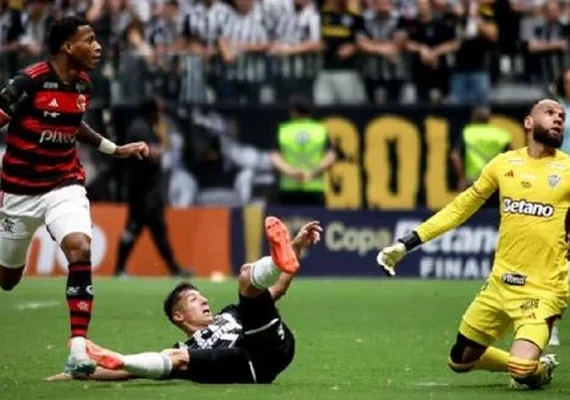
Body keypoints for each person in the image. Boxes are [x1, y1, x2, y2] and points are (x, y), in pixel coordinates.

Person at [377, 98, 565, 390]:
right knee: (459, 361)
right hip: (499, 285)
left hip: (543, 290)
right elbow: (460, 208)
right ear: (528, 122)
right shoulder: (504, 164)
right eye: (550, 113)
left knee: (522, 369)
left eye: (562, 116)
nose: (558, 119)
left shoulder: (567, 169)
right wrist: (406, 243)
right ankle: (530, 365)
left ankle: (537, 370)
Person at [0, 16, 149, 377]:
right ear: (68, 46)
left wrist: (116, 149)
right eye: (90, 40)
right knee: (8, 280)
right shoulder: (29, 82)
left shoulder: (83, 84)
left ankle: (78, 349)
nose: (98, 47)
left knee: (80, 247)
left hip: (63, 184)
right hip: (19, 192)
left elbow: (74, 125)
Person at [46, 216, 322, 384]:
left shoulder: (229, 314)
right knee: (172, 359)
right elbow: (129, 374)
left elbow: (276, 292)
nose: (204, 301)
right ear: (179, 316)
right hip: (243, 365)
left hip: (272, 345)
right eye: (193, 299)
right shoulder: (184, 348)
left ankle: (276, 259)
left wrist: (296, 247)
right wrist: (80, 374)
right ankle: (115, 357)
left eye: (201, 297)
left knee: (247, 276)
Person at [114, 97, 189, 277]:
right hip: (142, 191)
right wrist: (165, 146)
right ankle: (119, 268)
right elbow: (152, 154)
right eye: (159, 110)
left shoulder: (146, 126)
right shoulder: (140, 128)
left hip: (149, 191)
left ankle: (174, 269)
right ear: (152, 111)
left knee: (157, 231)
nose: (161, 115)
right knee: (134, 229)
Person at [270, 95, 337, 206]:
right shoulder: (320, 130)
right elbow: (331, 156)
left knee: (290, 222)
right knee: (314, 222)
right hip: (315, 187)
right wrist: (312, 172)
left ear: (293, 111)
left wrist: (291, 172)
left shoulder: (284, 130)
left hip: (289, 188)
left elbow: (275, 157)